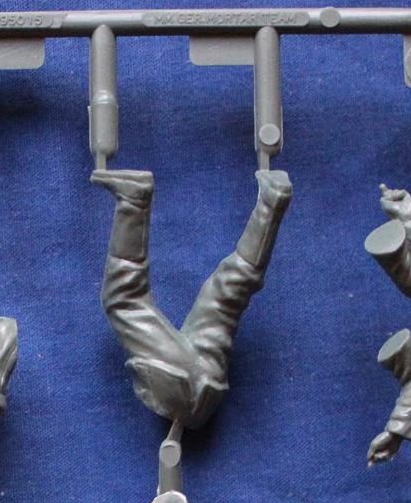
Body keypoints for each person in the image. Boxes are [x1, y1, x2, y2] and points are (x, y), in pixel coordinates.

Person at [91, 168, 293, 429]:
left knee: (126, 300)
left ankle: (134, 200)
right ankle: (271, 201)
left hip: (198, 386)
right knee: (227, 291)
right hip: (199, 383)